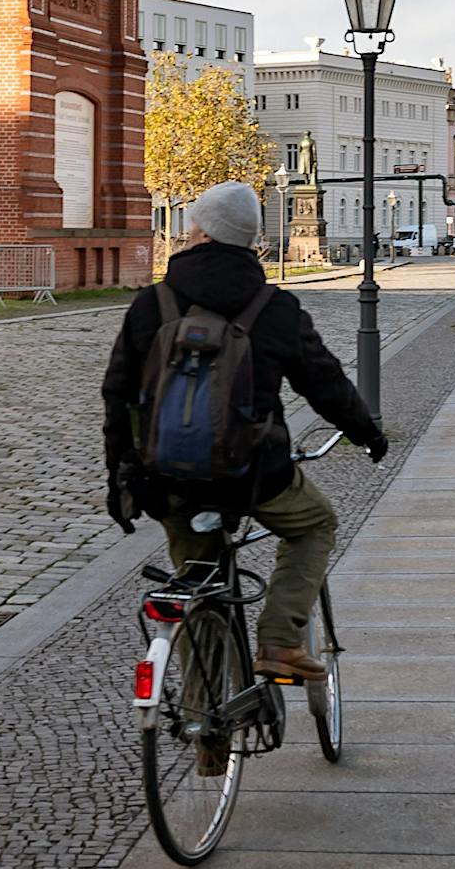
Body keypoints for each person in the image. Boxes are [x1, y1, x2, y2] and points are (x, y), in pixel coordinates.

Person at [101, 180, 389, 688]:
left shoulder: (152, 304)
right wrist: (366, 432)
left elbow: (118, 397)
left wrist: (122, 479)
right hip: (257, 474)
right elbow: (325, 384)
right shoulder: (273, 307)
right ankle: (279, 641)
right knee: (315, 525)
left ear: (199, 233)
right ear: (249, 240)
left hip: (171, 479)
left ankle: (205, 729)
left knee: (198, 582)